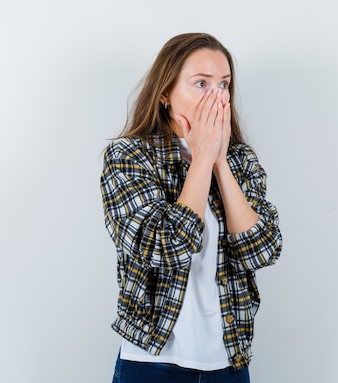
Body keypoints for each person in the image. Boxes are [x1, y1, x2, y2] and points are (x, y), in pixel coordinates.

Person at [100, 33, 283, 383]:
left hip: (228, 363)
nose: (217, 96)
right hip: (152, 363)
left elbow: (261, 252)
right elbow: (166, 246)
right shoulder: (129, 157)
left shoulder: (241, 160)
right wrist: (200, 158)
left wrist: (220, 162)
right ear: (165, 93)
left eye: (224, 84)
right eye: (201, 83)